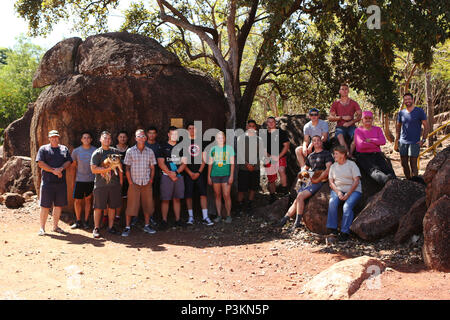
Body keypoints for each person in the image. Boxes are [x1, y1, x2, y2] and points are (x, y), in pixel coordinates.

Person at [277, 135, 333, 228]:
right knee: (297, 200)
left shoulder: (326, 154)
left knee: (300, 196)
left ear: (321, 142)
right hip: (310, 179)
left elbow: (328, 169)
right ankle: (284, 219)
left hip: (319, 179)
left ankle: (297, 223)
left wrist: (317, 180)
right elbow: (305, 169)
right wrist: (302, 180)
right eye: (314, 141)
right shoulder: (311, 156)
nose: (316, 142)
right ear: (312, 143)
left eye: (318, 140)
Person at [36, 130, 73, 236]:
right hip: (47, 182)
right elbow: (40, 163)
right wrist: (53, 171)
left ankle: (55, 227)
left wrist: (61, 168)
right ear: (49, 138)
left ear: (59, 137)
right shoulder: (43, 149)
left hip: (61, 183)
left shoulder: (63, 149)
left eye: (56, 137)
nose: (54, 139)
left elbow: (68, 161)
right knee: (45, 206)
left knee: (58, 205)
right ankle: (42, 228)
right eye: (52, 137)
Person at [121, 129, 157, 237]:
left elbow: (152, 167)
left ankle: (147, 225)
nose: (141, 138)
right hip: (134, 183)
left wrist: (151, 180)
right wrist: (130, 182)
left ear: (145, 138)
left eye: (142, 136)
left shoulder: (150, 151)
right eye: (138, 136)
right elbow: (127, 167)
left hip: (146, 182)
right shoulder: (130, 151)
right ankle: (127, 227)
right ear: (135, 138)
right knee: (131, 205)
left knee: (147, 205)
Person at [90, 131, 123, 238]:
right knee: (98, 207)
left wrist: (121, 181)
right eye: (105, 138)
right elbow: (94, 170)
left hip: (114, 185)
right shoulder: (97, 153)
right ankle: (96, 228)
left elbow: (120, 167)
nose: (107, 140)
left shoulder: (115, 151)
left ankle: (111, 227)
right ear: (100, 139)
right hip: (101, 185)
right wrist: (109, 168)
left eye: (109, 138)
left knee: (112, 207)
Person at [326, 145, 362, 242]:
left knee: (347, 207)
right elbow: (331, 182)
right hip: (338, 189)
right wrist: (338, 192)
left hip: (354, 190)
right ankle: (333, 229)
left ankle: (344, 232)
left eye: (336, 154)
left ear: (343, 155)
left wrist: (348, 194)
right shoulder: (333, 166)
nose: (334, 155)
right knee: (332, 202)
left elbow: (356, 181)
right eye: (334, 154)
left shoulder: (352, 165)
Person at [353, 111, 396, 185]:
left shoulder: (377, 129)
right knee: (374, 171)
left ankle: (395, 182)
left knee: (387, 169)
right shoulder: (358, 130)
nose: (368, 120)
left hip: (377, 154)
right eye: (366, 118)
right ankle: (387, 182)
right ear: (362, 119)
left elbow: (383, 141)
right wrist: (376, 143)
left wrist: (370, 140)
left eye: (370, 118)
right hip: (363, 155)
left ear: (372, 119)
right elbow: (361, 145)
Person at [183, 122, 214, 226]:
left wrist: (199, 172)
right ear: (187, 130)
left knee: (203, 194)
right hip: (188, 172)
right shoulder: (183, 142)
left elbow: (204, 159)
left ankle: (205, 216)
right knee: (188, 194)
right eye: (189, 128)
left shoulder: (202, 142)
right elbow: (182, 161)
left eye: (193, 128)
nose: (192, 130)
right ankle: (190, 217)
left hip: (200, 172)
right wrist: (190, 172)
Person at [157, 126, 187, 230]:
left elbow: (184, 163)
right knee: (165, 199)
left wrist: (176, 172)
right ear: (168, 135)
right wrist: (170, 173)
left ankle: (178, 220)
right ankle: (164, 221)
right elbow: (160, 163)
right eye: (172, 134)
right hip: (166, 176)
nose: (174, 136)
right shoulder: (163, 146)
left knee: (177, 199)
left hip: (178, 176)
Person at [395, 93, 428, 179]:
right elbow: (398, 126)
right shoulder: (401, 113)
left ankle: (415, 183)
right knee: (404, 164)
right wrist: (397, 140)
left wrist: (423, 140)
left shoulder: (419, 111)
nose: (407, 101)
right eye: (405, 99)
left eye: (409, 99)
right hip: (402, 142)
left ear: (412, 100)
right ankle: (408, 182)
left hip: (415, 142)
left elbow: (426, 126)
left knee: (413, 163)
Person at [236, 120, 265, 216]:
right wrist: (247, 164)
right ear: (247, 127)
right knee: (241, 188)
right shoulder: (241, 138)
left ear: (255, 128)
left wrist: (252, 164)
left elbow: (260, 154)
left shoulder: (259, 140)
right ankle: (239, 206)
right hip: (243, 168)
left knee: (253, 187)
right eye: (250, 126)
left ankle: (249, 205)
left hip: (255, 168)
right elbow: (239, 153)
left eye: (253, 126)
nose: (251, 127)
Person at [70, 131, 97, 230]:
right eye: (84, 138)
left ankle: (86, 221)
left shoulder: (95, 150)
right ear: (81, 140)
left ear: (91, 140)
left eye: (88, 137)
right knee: (77, 201)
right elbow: (73, 167)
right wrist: (73, 181)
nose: (86, 139)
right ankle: (78, 221)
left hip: (91, 179)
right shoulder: (76, 151)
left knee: (88, 200)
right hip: (79, 180)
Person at [208, 131, 235, 223]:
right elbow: (210, 164)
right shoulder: (213, 149)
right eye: (219, 138)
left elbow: (232, 164)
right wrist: (209, 176)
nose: (221, 139)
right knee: (217, 195)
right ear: (216, 139)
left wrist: (231, 176)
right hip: (215, 175)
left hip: (226, 175)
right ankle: (219, 215)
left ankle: (228, 215)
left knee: (226, 195)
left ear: (225, 139)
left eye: (222, 138)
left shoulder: (229, 149)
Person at [328, 83, 362, 156]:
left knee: (357, 134)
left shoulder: (354, 103)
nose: (344, 91)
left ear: (348, 91)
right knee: (340, 136)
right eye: (342, 89)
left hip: (352, 126)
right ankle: (347, 153)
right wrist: (341, 117)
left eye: (346, 89)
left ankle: (351, 154)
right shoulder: (336, 103)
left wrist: (351, 122)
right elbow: (330, 118)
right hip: (340, 127)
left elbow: (360, 115)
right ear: (339, 91)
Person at [264, 116, 290, 203]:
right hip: (268, 157)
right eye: (269, 122)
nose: (271, 123)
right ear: (267, 123)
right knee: (271, 178)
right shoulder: (264, 134)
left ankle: (285, 192)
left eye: (273, 122)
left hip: (280, 156)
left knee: (281, 169)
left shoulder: (281, 133)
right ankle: (272, 196)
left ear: (275, 123)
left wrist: (278, 157)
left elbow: (286, 146)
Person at [145, 126, 162, 228]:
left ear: (156, 134)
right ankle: (137, 217)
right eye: (150, 133)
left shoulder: (159, 146)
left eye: (153, 133)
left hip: (155, 176)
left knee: (154, 196)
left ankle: (152, 216)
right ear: (147, 134)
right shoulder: (143, 145)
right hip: (142, 175)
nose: (151, 135)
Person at [115, 130, 129, 223]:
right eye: (121, 137)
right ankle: (114, 216)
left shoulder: (130, 149)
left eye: (124, 137)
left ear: (127, 138)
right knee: (116, 197)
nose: (122, 138)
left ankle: (123, 216)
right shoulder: (113, 149)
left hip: (128, 178)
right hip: (115, 178)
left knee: (126, 198)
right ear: (117, 138)